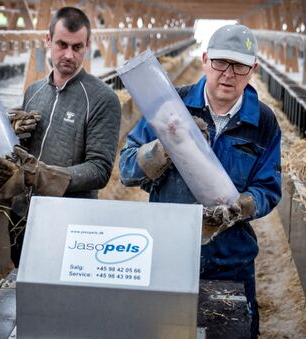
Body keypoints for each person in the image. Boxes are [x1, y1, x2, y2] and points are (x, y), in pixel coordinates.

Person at [119, 24, 281, 338]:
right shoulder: (171, 107)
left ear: (254, 70)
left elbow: (269, 188)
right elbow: (126, 169)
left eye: (240, 66)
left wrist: (242, 206)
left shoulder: (263, 122)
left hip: (230, 261)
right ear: (205, 59)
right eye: (220, 62)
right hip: (169, 254)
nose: (228, 74)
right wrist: (166, 146)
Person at [0, 7, 121, 266]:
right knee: (24, 281)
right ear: (48, 41)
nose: (69, 55)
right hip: (23, 216)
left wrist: (36, 175)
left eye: (77, 47)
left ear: (88, 45)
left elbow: (99, 170)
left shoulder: (102, 99)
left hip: (69, 221)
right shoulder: (35, 91)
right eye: (61, 44)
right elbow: (20, 155)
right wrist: (10, 136)